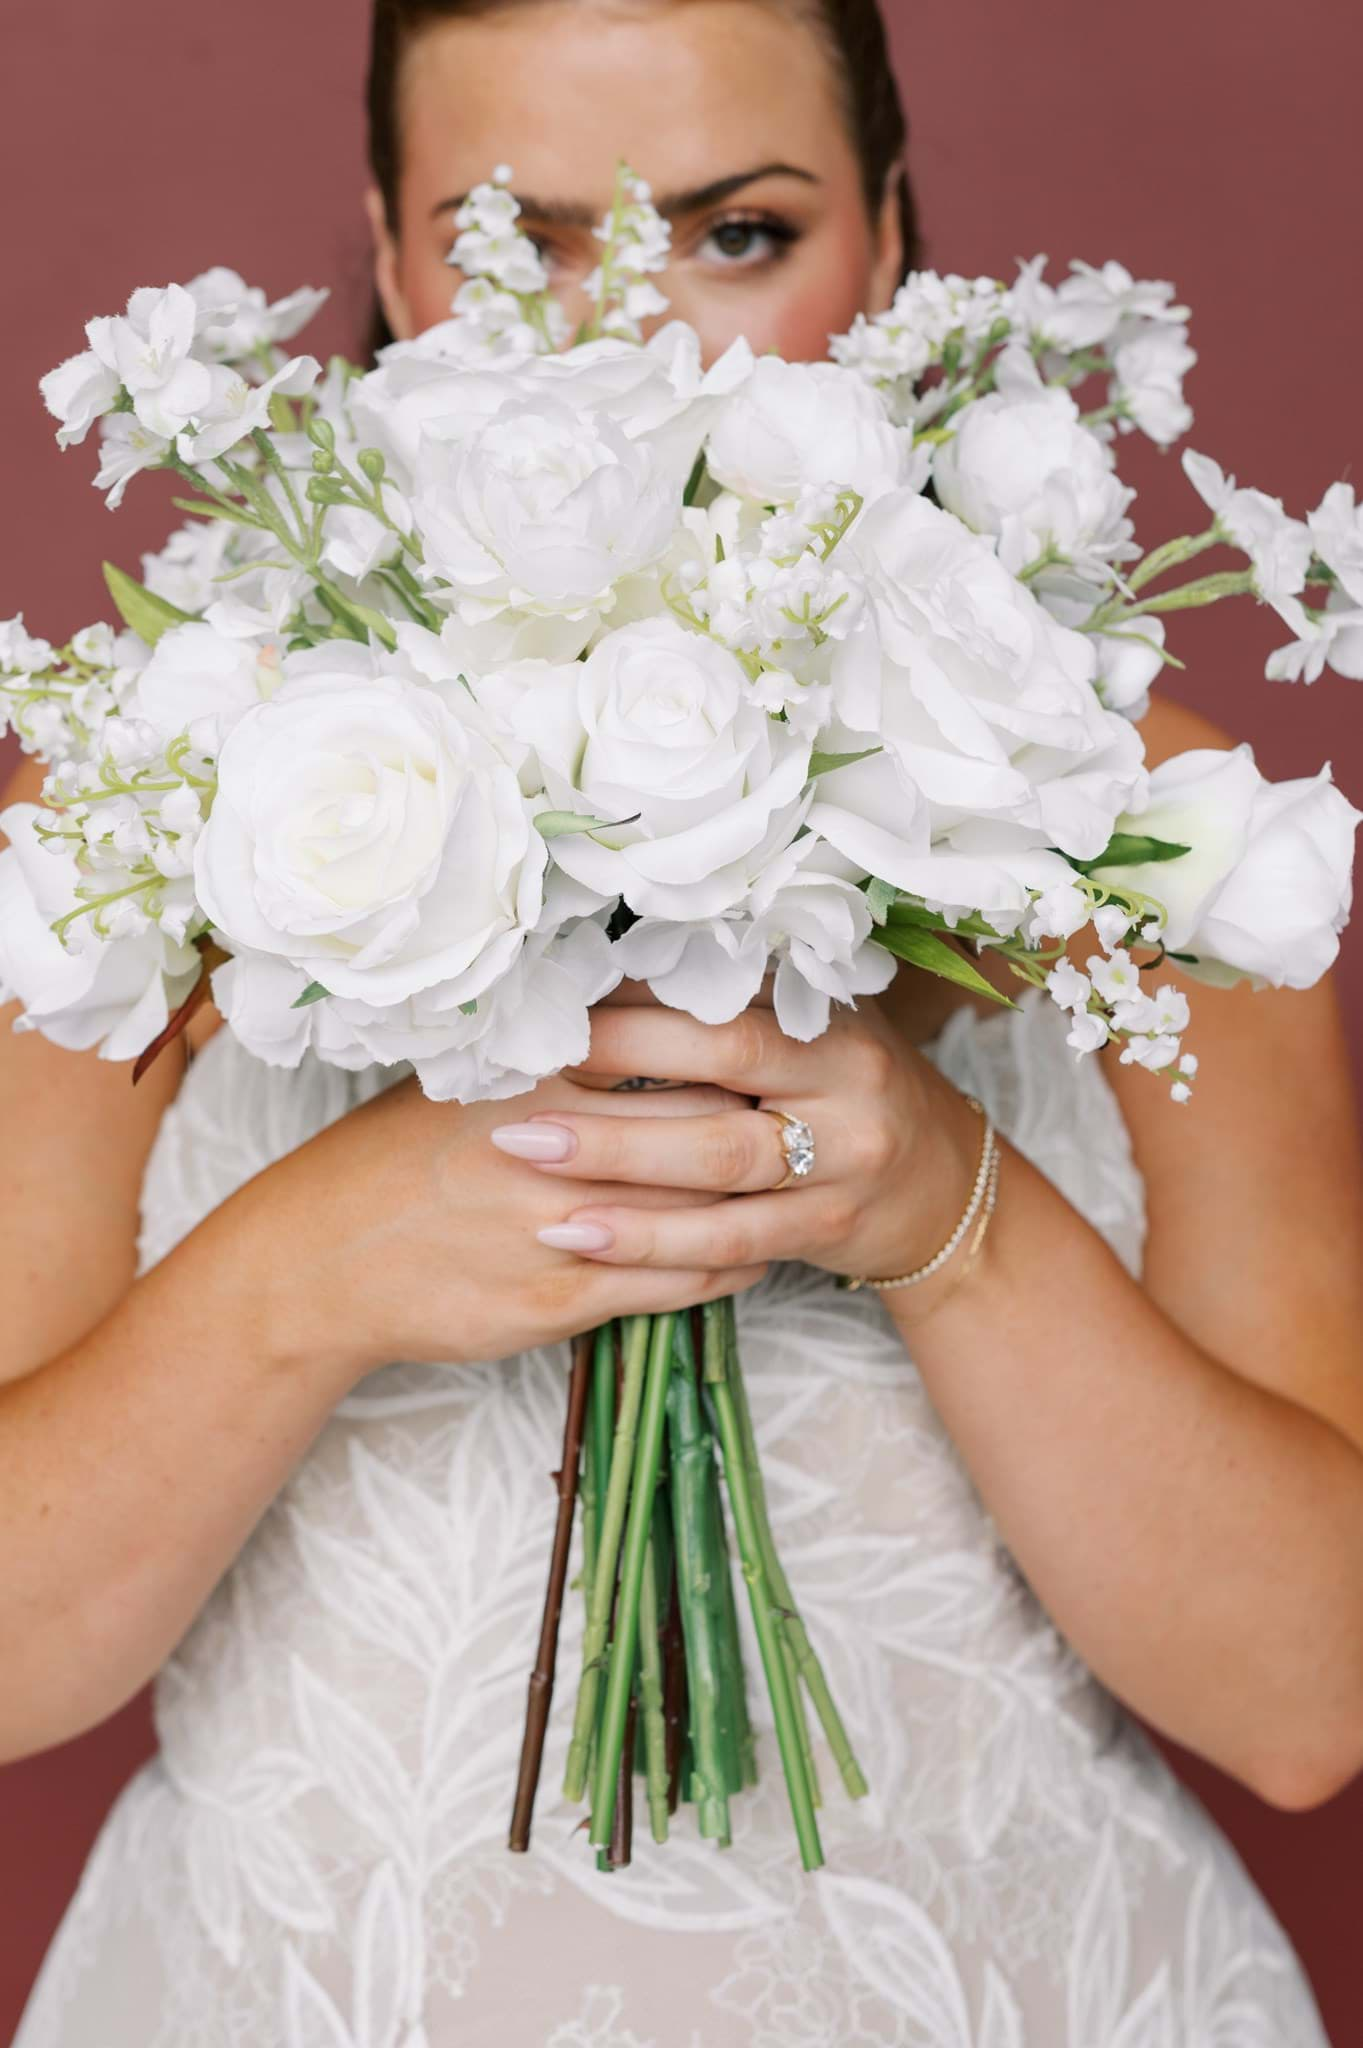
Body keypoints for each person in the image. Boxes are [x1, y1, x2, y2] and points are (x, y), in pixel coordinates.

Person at [5, 2, 1361, 2041]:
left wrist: (952, 1207)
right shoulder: (142, 808)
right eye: (504, 241)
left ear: (889, 241)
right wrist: (308, 1267)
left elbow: (1308, 1700)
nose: (628, 354)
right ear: (383, 254)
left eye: (738, 236)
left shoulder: (1131, 817)